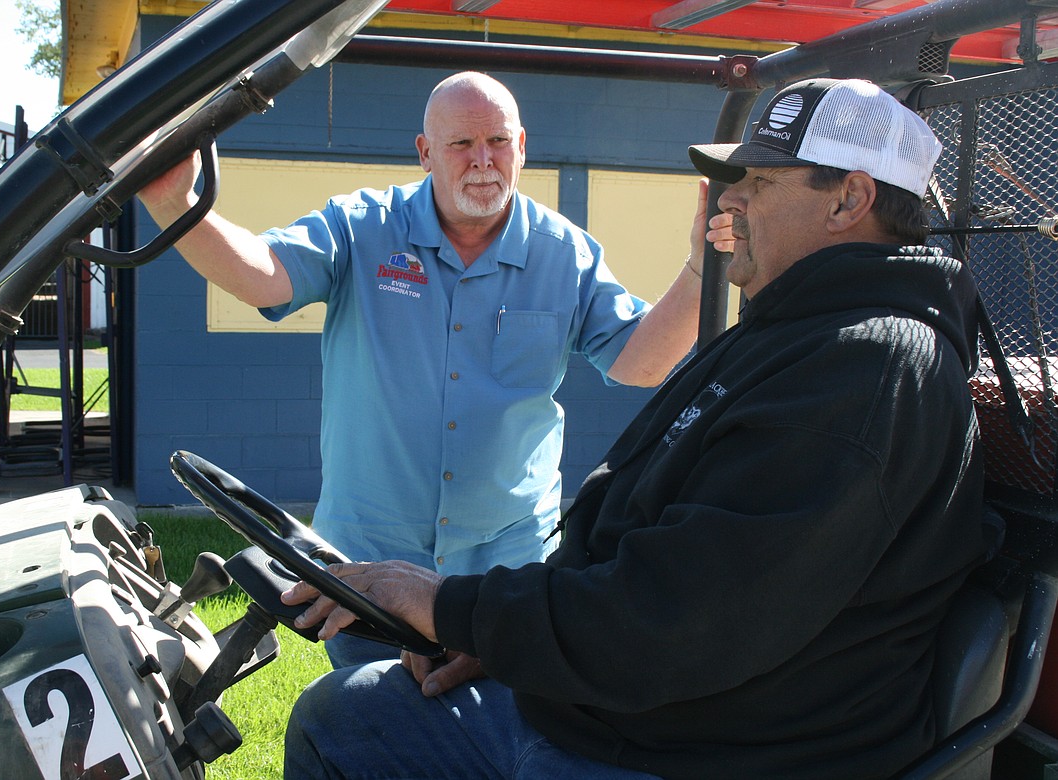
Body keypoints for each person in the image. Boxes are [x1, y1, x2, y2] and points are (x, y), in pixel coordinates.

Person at [279, 78, 991, 778]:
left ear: (849, 200)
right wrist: (507, 638)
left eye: (760, 182)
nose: (730, 199)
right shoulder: (789, 337)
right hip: (615, 712)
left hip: (701, 750)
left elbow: (683, 617)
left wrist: (453, 606)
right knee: (344, 719)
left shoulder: (867, 371)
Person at [141, 71, 714, 667]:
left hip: (506, 562)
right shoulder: (361, 227)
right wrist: (174, 203)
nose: (482, 160)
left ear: (522, 147)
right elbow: (261, 274)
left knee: (499, 732)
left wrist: (701, 268)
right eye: (461, 144)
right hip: (367, 560)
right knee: (370, 723)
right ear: (424, 153)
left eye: (496, 141)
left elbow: (642, 362)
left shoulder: (563, 254)